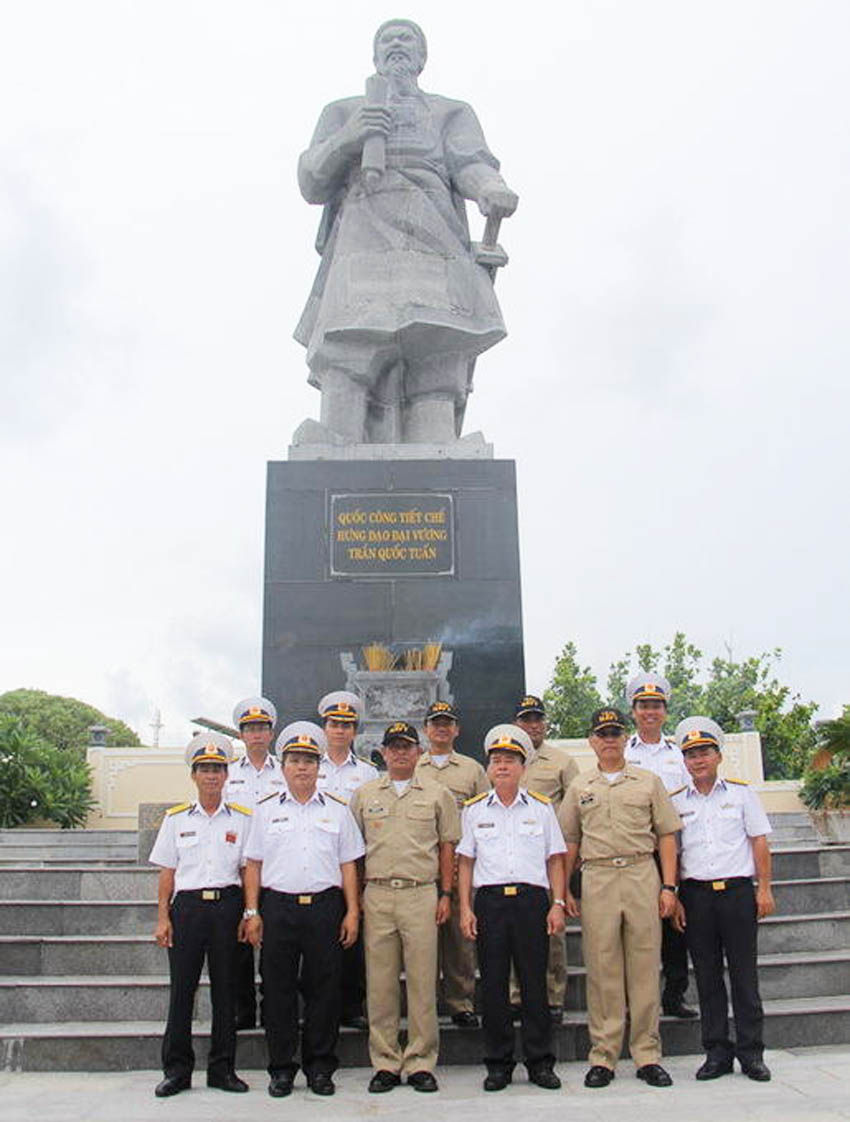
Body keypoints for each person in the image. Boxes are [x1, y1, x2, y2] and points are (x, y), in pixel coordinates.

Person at [294, 19, 519, 445]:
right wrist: (348, 139)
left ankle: (436, 449)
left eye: (407, 39)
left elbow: (471, 164)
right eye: (387, 39)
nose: (397, 45)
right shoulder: (343, 111)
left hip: (433, 238)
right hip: (363, 235)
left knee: (434, 353)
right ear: (375, 56)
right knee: (348, 345)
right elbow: (311, 181)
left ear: (422, 56)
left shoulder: (451, 112)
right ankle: (337, 442)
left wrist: (491, 190)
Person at [559, 708, 681, 1089]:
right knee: (602, 967)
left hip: (641, 873)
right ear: (592, 741)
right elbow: (569, 842)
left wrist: (669, 887)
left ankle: (647, 1054)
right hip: (597, 878)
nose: (608, 739)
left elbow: (666, 835)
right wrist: (562, 891)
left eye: (615, 732)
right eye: (602, 734)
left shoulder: (648, 781)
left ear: (623, 737)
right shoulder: (580, 787)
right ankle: (604, 1056)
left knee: (645, 966)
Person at [242, 721, 364, 1098]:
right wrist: (252, 912)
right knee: (277, 991)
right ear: (284, 767)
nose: (302, 767)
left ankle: (320, 1067)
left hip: (325, 908)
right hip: (277, 907)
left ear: (319, 767)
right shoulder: (264, 811)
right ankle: (281, 1068)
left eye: (309, 761)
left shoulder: (338, 810)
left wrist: (352, 911)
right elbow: (253, 864)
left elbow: (349, 865)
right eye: (294, 760)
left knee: (324, 990)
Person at [349, 721, 460, 1093]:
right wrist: (359, 898)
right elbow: (354, 852)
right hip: (378, 895)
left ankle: (420, 1061)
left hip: (421, 895)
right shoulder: (364, 795)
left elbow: (448, 848)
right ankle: (385, 1062)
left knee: (422, 981)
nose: (399, 752)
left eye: (407, 746)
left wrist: (446, 894)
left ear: (419, 751)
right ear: (382, 752)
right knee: (380, 985)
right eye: (393, 746)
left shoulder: (437, 794)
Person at [457, 724, 566, 1091]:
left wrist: (558, 903)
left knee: (535, 984)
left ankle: (540, 1062)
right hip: (490, 903)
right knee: (493, 984)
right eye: (497, 760)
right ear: (488, 768)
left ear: (523, 767)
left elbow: (555, 859)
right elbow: (466, 861)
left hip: (532, 902)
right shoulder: (474, 811)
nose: (502, 766)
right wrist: (465, 908)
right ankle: (498, 1063)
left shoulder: (541, 807)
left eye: (510, 760)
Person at [671, 717, 775, 1082]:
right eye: (691, 755)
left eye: (704, 753)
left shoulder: (742, 794)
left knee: (745, 975)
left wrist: (763, 888)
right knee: (708, 976)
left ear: (718, 755)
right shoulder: (676, 803)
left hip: (736, 893)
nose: (698, 760)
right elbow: (675, 853)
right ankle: (716, 1052)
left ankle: (751, 1053)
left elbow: (759, 842)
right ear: (684, 761)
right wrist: (676, 896)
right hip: (696, 896)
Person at [149, 732, 252, 1097]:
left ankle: (222, 1069)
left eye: (217, 769)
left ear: (227, 776)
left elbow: (246, 871)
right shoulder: (177, 820)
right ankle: (177, 1070)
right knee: (183, 992)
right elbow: (167, 873)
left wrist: (249, 912)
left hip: (227, 907)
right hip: (188, 910)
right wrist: (163, 917)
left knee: (227, 991)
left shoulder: (242, 820)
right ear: (194, 775)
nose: (211, 776)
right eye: (205, 769)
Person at [624, 674, 696, 1019]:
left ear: (665, 711)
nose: (649, 712)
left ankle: (675, 993)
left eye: (656, 706)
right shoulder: (622, 752)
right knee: (635, 924)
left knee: (676, 922)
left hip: (674, 847)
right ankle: (633, 997)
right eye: (643, 706)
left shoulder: (680, 755)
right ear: (633, 712)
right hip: (635, 848)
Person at [416, 700, 489, 1028]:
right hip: (423, 865)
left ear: (456, 730)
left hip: (462, 865)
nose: (441, 728)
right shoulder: (414, 768)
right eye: (435, 723)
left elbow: (487, 815)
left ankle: (461, 1002)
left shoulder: (472, 770)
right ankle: (426, 1001)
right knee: (424, 940)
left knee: (461, 941)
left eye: (447, 723)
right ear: (426, 730)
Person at [511, 693, 578, 1023]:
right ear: (516, 724)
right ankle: (514, 995)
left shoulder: (562, 762)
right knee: (509, 932)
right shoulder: (503, 758)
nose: (532, 725)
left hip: (549, 856)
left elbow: (576, 813)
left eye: (537, 718)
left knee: (552, 932)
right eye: (526, 719)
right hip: (511, 858)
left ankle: (553, 995)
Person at [316, 689, 377, 1029]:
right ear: (324, 728)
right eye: (333, 724)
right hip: (318, 863)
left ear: (355, 731)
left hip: (354, 864)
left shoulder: (367, 773)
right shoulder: (309, 764)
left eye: (346, 725)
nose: (339, 730)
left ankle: (351, 1005)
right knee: (318, 939)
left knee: (352, 939)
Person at [225, 695, 286, 1030]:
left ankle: (271, 1006)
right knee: (239, 945)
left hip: (276, 869)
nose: (257, 734)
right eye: (250, 729)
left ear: (272, 733)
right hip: (237, 869)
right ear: (241, 734)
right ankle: (243, 1009)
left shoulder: (286, 770)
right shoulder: (228, 774)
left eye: (262, 728)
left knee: (275, 946)